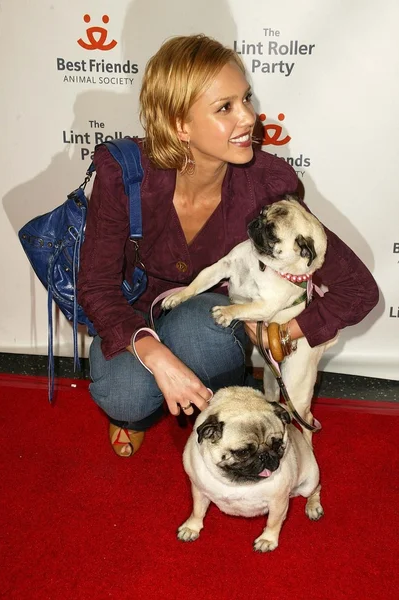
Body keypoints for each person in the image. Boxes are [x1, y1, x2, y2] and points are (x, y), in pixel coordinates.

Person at [77, 34, 379, 457]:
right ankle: (146, 408)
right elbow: (94, 285)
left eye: (246, 99)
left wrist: (288, 331)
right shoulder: (124, 174)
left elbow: (358, 289)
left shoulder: (266, 183)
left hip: (207, 320)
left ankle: (214, 393)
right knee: (123, 394)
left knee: (204, 332)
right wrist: (156, 358)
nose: (249, 118)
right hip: (136, 311)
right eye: (225, 108)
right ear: (180, 124)